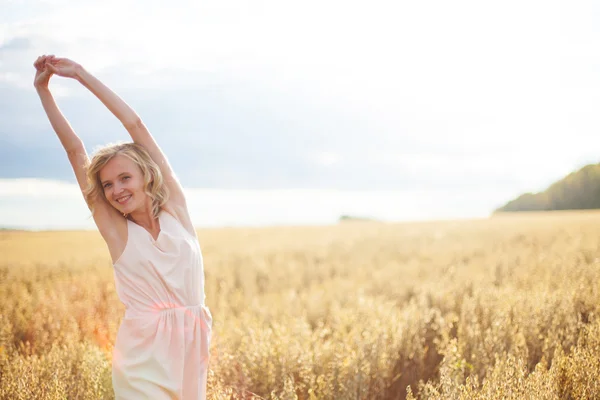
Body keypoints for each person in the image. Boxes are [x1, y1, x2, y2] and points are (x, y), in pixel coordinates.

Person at [33, 54, 213, 399]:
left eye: (124, 177)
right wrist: (44, 92)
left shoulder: (177, 209)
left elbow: (136, 124)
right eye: (108, 185)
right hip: (143, 355)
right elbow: (74, 151)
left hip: (192, 343)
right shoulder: (118, 232)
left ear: (146, 175)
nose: (116, 190)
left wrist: (82, 75)